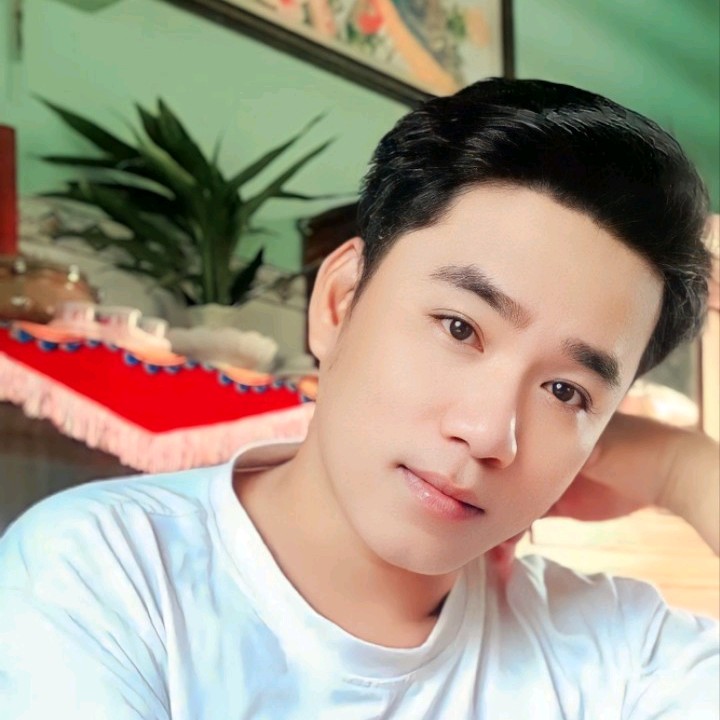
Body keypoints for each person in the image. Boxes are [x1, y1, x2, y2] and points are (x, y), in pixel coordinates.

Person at [0, 78, 718, 718]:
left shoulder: (618, 654)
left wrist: (681, 469)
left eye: (566, 391)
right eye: (460, 327)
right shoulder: (106, 570)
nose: (487, 432)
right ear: (340, 302)